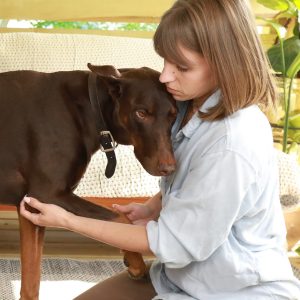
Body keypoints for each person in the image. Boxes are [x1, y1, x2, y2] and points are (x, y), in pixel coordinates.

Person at [20, 0, 300, 299]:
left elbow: (173, 242)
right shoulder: (188, 106)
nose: (164, 76)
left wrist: (68, 220)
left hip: (233, 291)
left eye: (181, 67)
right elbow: (197, 177)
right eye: (164, 61)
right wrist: (153, 207)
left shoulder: (232, 143)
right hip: (175, 278)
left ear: (224, 64)